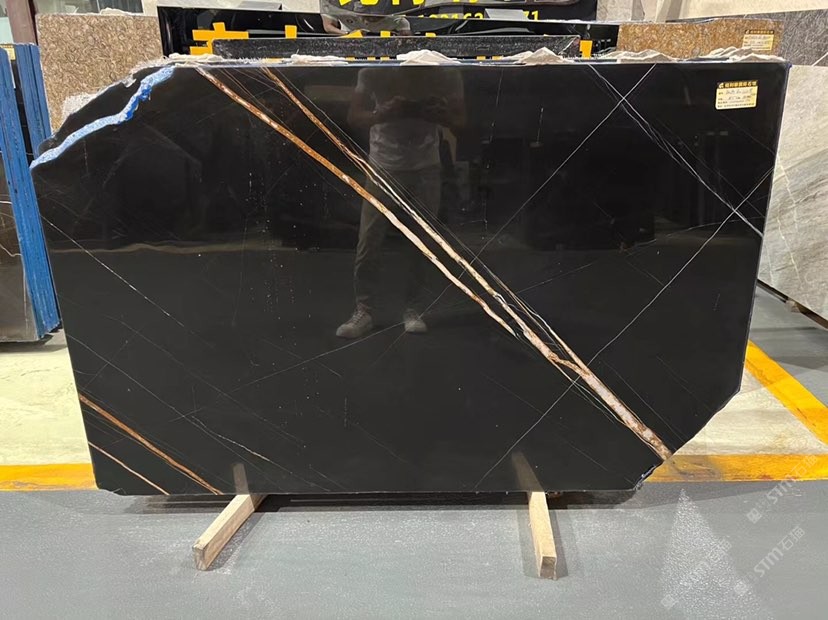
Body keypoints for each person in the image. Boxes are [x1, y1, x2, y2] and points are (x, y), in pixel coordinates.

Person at [336, 66, 465, 339]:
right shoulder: (374, 70)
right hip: (383, 166)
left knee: (422, 243)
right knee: (369, 241)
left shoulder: (444, 72)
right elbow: (354, 116)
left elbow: (461, 120)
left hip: (425, 166)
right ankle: (364, 311)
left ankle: (414, 309)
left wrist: (439, 114)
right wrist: (383, 113)